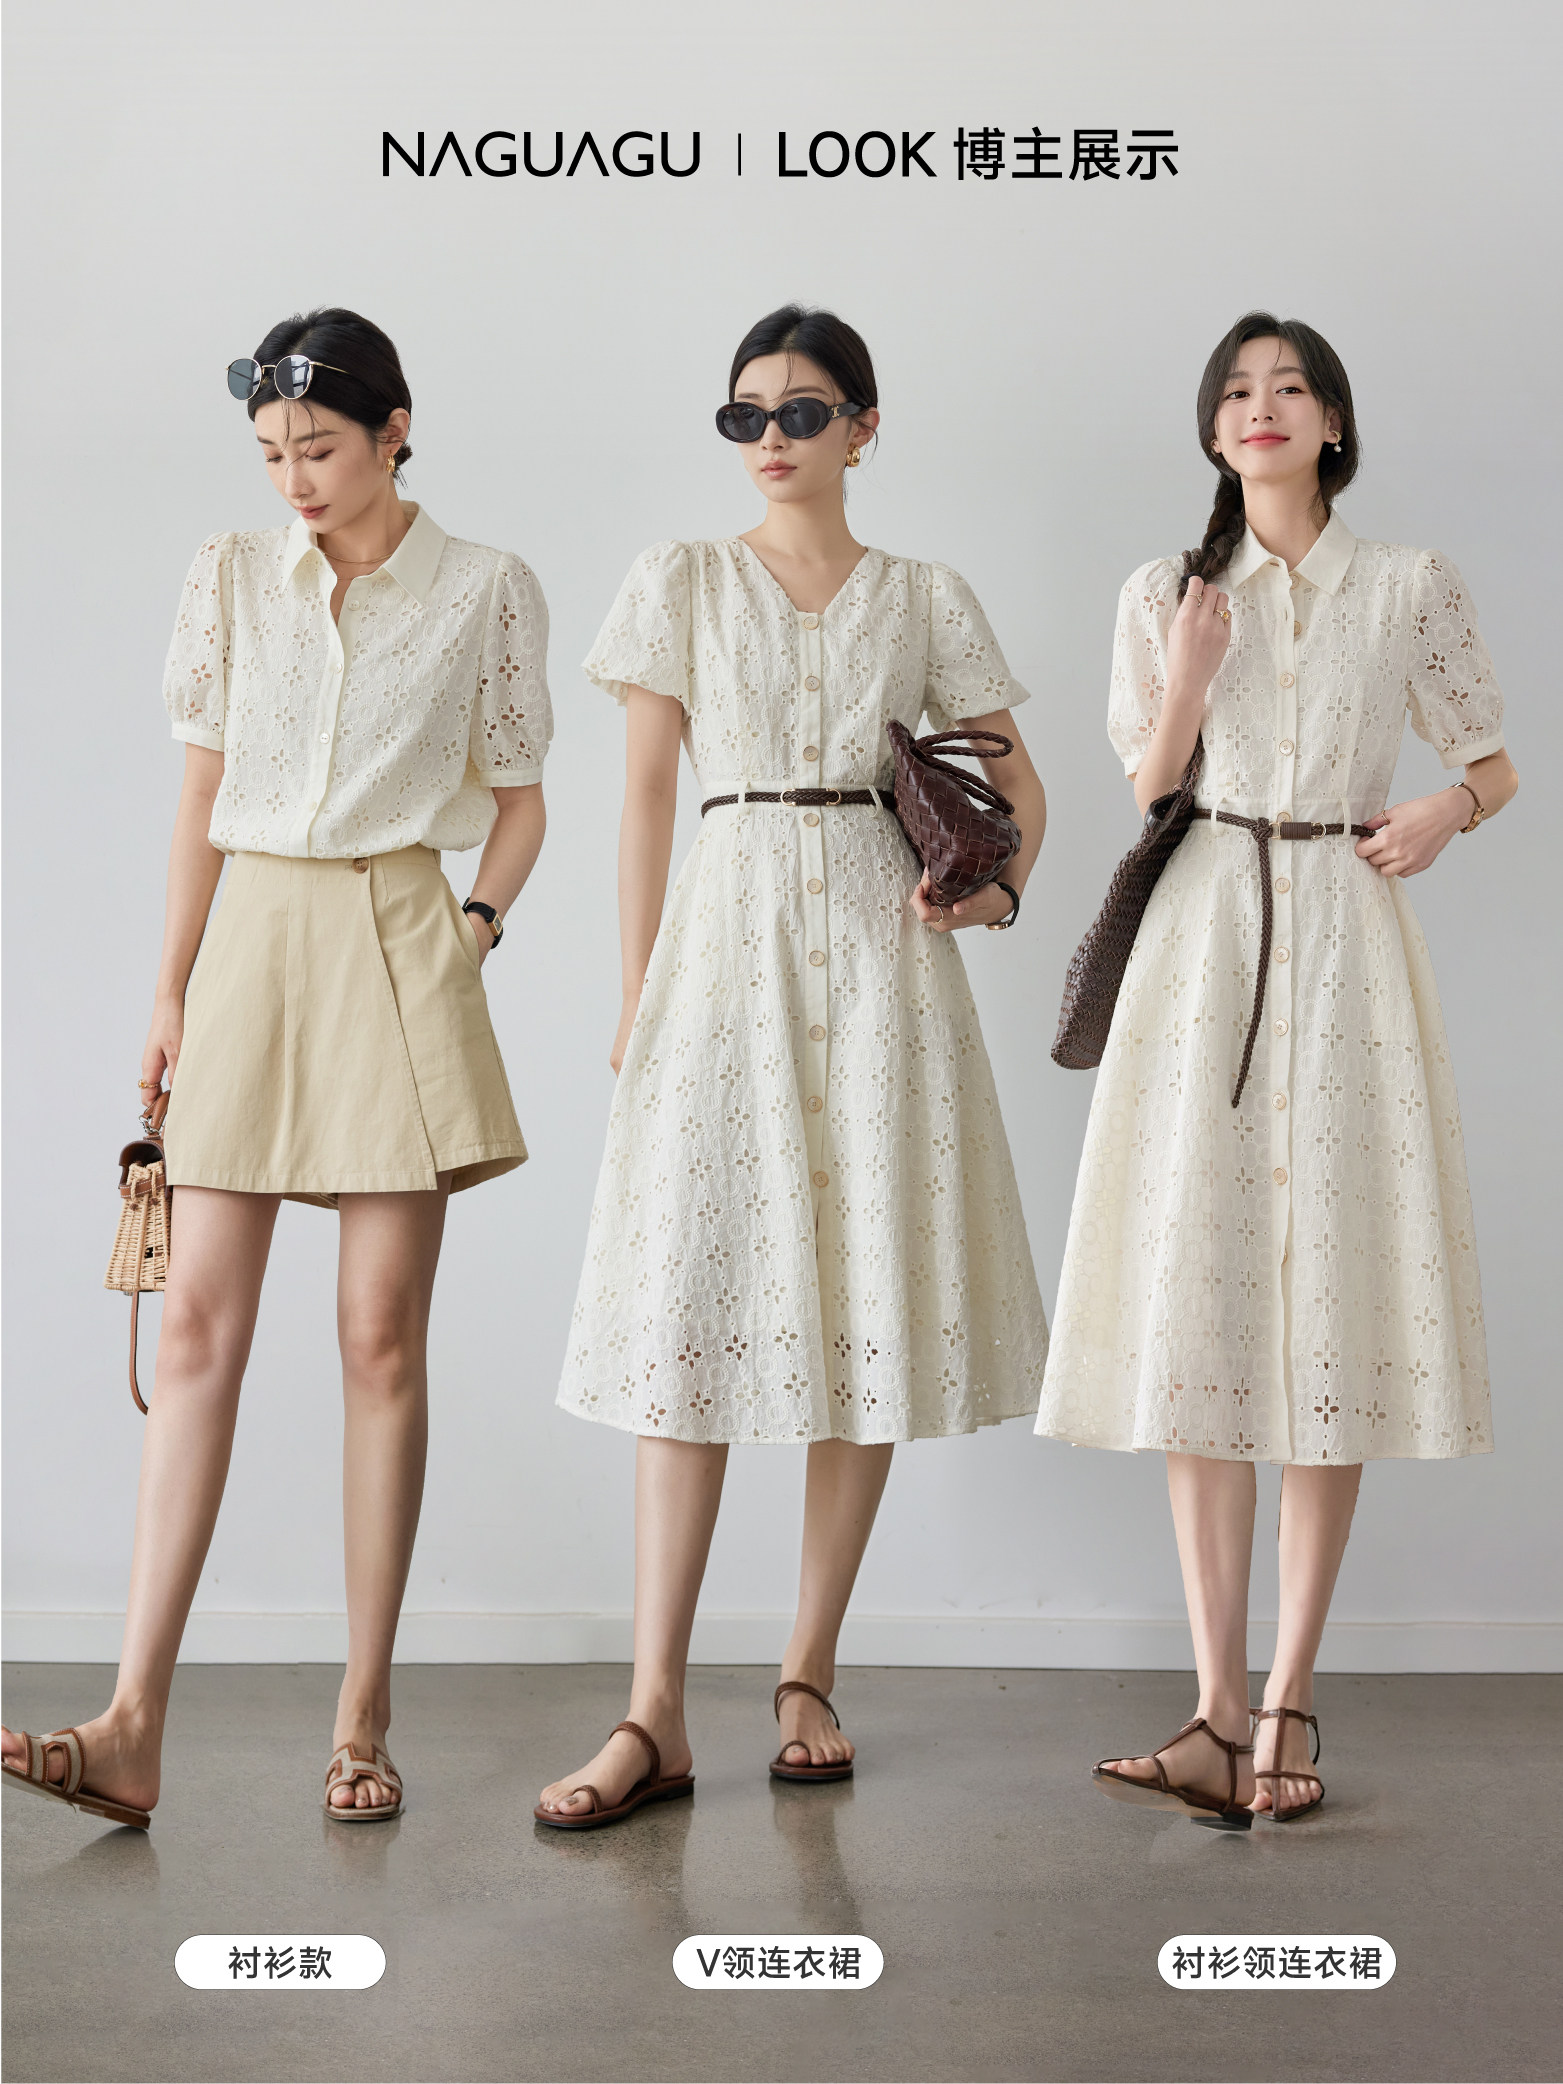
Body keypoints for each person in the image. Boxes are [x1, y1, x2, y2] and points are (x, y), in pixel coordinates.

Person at [2, 308, 552, 1828]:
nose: (293, 478)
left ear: (393, 432)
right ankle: (130, 1724)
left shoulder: (486, 589)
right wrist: (168, 990)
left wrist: (473, 931)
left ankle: (363, 1720)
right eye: (270, 454)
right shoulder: (231, 575)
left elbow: (522, 799)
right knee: (195, 1327)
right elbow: (201, 790)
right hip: (251, 936)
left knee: (379, 1340)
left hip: (399, 934)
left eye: (317, 447)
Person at [536, 304, 1050, 1828]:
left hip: (887, 967)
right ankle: (651, 1711)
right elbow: (643, 796)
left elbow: (1016, 779)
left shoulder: (926, 595)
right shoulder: (680, 579)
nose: (771, 437)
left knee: (866, 1299)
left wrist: (996, 896)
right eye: (746, 414)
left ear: (864, 429)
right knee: (686, 1317)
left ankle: (808, 1671)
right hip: (725, 958)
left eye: (804, 411)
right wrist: (636, 992)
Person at [1036, 310, 1517, 1828]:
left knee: (1331, 1315)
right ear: (1212, 431)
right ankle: (1213, 1709)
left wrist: (1443, 813)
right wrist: (1190, 668)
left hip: (1348, 945)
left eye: (1290, 387)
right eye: (1238, 391)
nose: (1262, 407)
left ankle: (1292, 1694)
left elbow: (1495, 761)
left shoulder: (1409, 584)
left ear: (1332, 423)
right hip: (1205, 947)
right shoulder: (1165, 592)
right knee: (1199, 1310)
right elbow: (1151, 784)